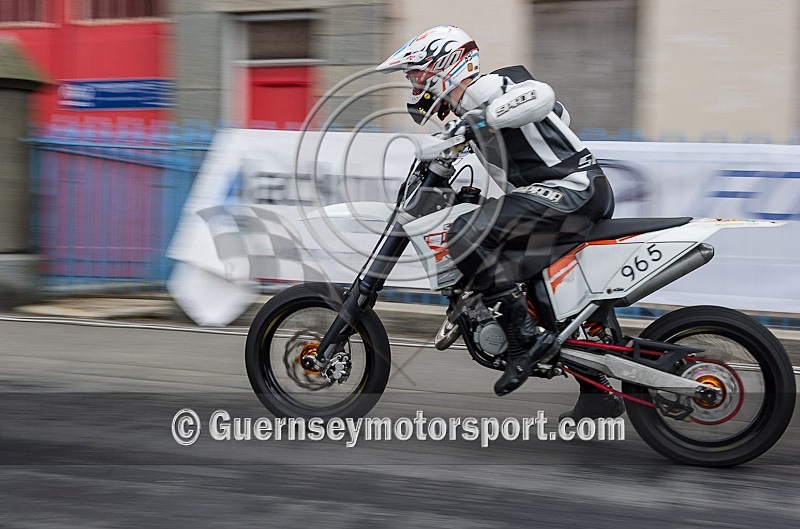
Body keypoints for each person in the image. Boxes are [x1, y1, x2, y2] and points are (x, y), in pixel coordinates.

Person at [377, 25, 624, 420]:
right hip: (568, 195)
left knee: (465, 235)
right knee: (529, 283)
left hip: (571, 191)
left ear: (445, 66)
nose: (415, 87)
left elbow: (542, 97)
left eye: (418, 75)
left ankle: (523, 338)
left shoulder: (490, 89)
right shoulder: (470, 112)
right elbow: (559, 118)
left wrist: (481, 121)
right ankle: (597, 393)